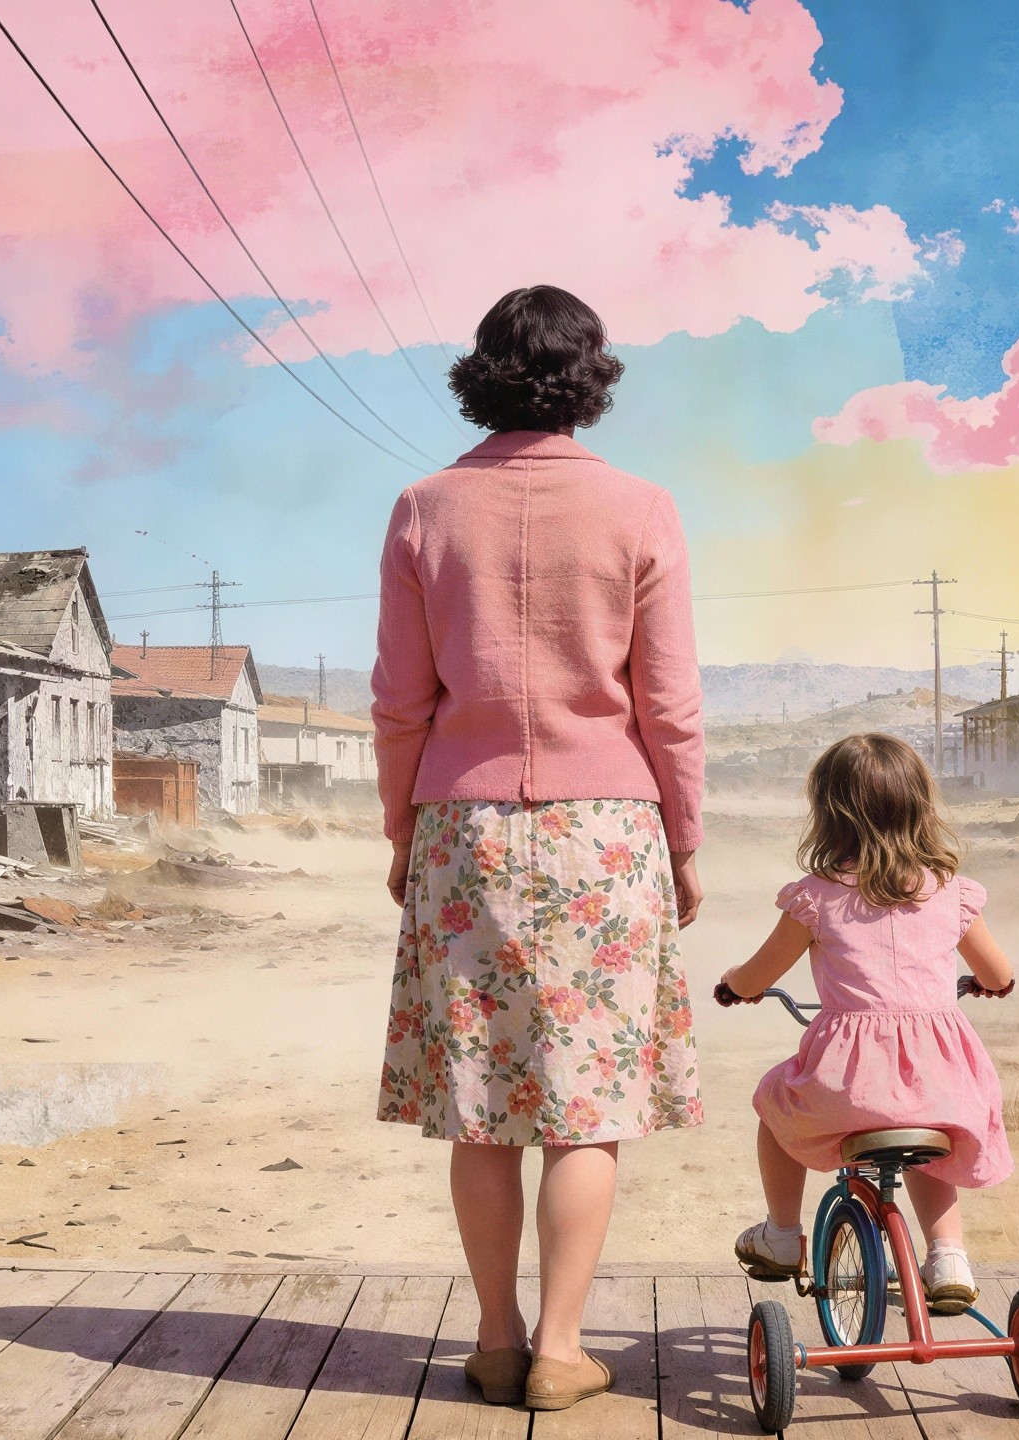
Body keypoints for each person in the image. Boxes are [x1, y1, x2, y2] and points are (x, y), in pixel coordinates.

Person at [372, 284, 706, 1413]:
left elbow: (397, 702)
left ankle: (498, 1338)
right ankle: (565, 1350)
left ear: (483, 372)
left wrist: (400, 828)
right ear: (590, 376)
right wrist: (688, 843)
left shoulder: (423, 507)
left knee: (481, 1098)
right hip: (607, 833)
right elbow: (669, 707)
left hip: (462, 828)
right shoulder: (641, 508)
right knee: (586, 1101)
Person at [717, 733, 1015, 1317]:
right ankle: (949, 1255)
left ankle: (781, 1234)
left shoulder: (816, 899)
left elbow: (757, 975)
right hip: (942, 1082)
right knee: (931, 1137)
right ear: (920, 805)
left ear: (830, 813)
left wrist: (734, 985)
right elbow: (1000, 974)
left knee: (773, 1105)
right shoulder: (951, 893)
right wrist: (989, 984)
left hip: (847, 1085)